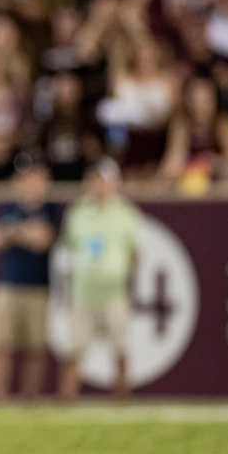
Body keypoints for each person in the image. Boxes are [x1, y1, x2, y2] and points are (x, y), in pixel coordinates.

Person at [59, 158, 141, 402]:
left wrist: (128, 280)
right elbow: (71, 249)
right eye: (94, 180)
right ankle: (68, 398)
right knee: (75, 349)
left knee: (120, 347)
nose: (98, 185)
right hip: (84, 293)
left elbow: (134, 252)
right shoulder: (77, 212)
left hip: (115, 293)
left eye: (103, 180)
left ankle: (122, 396)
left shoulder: (126, 213)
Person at [0, 156, 60, 402]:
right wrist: (24, 232)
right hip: (7, 285)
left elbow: (44, 241)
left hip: (39, 286)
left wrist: (14, 232)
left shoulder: (51, 209)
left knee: (36, 347)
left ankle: (30, 399)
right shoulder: (7, 207)